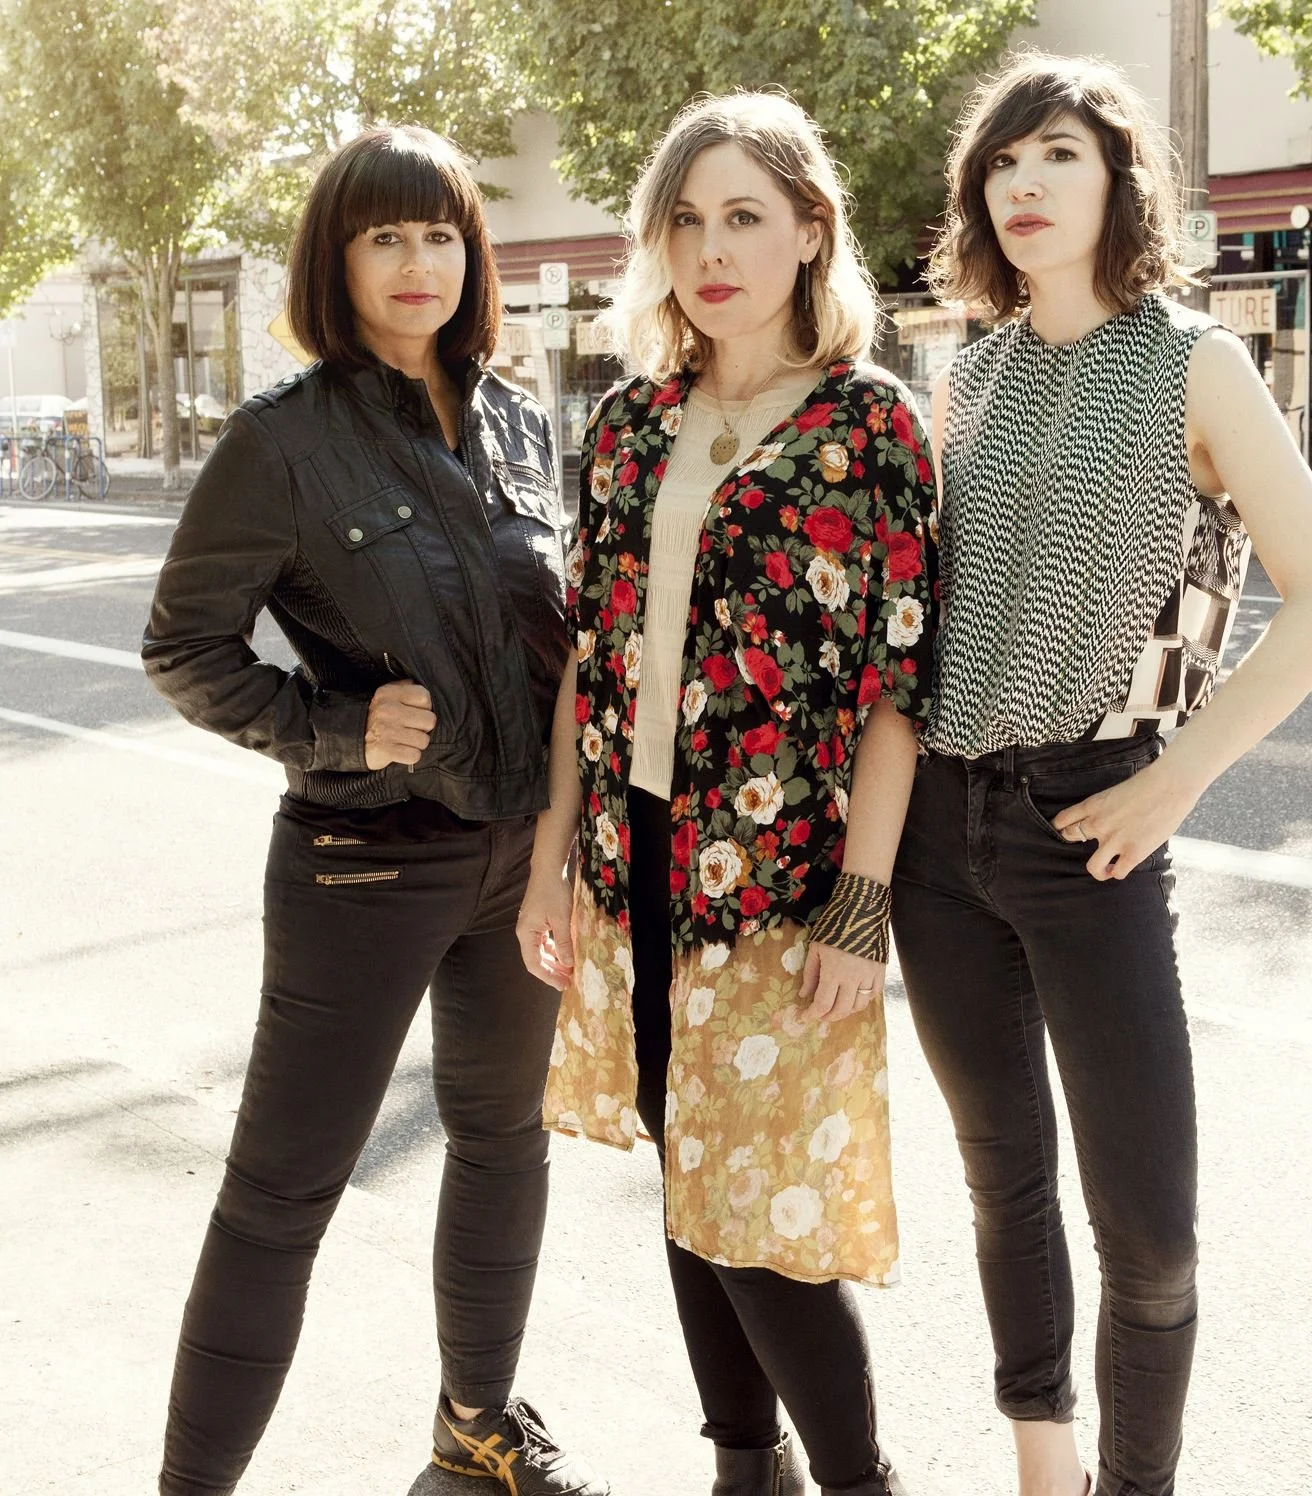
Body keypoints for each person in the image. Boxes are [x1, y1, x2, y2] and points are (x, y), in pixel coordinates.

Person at [891, 52, 1312, 1496]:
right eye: (1003, 165)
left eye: (1059, 158)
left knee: (1149, 1230)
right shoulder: (963, 372)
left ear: (1117, 181)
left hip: (1090, 820)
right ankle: (1047, 1468)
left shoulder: (1193, 362)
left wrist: (1178, 781)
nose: (1024, 186)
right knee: (1001, 1183)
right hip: (937, 830)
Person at [142, 125, 608, 1496]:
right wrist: (332, 729)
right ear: (334, 259)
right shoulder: (281, 443)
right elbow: (185, 646)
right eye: (386, 236)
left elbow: (563, 637)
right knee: (284, 1195)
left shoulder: (520, 415)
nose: (420, 263)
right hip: (363, 866)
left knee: (502, 1140)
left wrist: (566, 845)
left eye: (443, 233)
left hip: (519, 859)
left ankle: (476, 1434)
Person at [515, 92, 939, 1496]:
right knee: (688, 1177)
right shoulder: (634, 421)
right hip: (637, 854)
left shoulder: (868, 427)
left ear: (812, 230)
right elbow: (592, 649)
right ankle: (740, 1468)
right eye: (686, 219)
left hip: (783, 874)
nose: (712, 246)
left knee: (756, 1211)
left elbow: (896, 687)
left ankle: (858, 1482)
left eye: (745, 214)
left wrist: (862, 901)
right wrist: (550, 862)